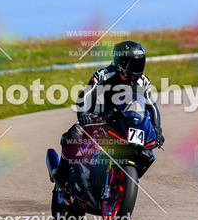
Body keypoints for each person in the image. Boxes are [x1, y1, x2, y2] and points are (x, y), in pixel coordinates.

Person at [52, 40, 164, 189]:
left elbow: (151, 106)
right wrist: (84, 114)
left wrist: (157, 129)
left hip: (123, 121)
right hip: (96, 119)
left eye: (139, 63)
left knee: (146, 151)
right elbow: (85, 96)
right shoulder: (103, 75)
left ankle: (120, 179)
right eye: (132, 64)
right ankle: (61, 176)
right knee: (74, 135)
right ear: (121, 62)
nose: (136, 68)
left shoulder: (143, 81)